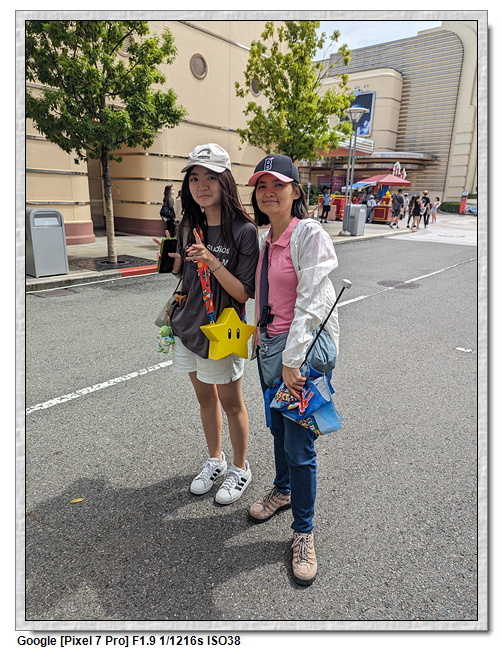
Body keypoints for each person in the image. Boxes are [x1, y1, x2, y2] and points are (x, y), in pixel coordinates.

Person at [246, 153, 340, 586]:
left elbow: (311, 303)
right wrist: (258, 335)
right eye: (262, 185)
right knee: (279, 431)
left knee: (300, 446)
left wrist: (292, 361)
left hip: (296, 356)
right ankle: (282, 491)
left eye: (278, 185)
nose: (269, 192)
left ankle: (304, 532)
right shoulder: (267, 238)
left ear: (296, 191)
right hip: (270, 350)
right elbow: (267, 297)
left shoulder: (309, 234)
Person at [153, 143, 259, 505]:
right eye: (195, 177)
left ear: (225, 181)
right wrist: (174, 264)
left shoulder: (243, 231)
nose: (202, 185)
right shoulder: (189, 225)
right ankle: (216, 460)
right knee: (204, 398)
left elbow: (244, 292)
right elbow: (187, 277)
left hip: (223, 329)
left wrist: (212, 260)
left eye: (211, 177)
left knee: (231, 402)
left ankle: (240, 468)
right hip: (188, 326)